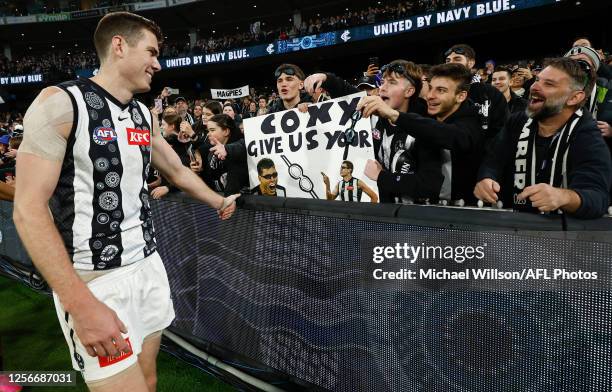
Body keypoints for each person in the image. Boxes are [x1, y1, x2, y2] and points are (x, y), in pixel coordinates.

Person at [13, 12, 238, 391]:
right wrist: (81, 306)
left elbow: (178, 172)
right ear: (120, 45)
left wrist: (219, 201)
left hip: (148, 265)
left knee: (148, 382)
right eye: (151, 52)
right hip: (95, 281)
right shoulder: (61, 104)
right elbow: (27, 211)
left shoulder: (140, 114)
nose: (157, 63)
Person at [475, 58, 611, 219]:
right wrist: (486, 178)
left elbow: (597, 198)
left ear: (574, 97)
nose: (534, 86)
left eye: (549, 84)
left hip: (564, 236)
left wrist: (564, 197)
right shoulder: (517, 121)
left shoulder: (588, 136)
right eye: (538, 80)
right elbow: (493, 160)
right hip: (513, 227)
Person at [358, 63, 482, 204]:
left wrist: (382, 177)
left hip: (462, 215)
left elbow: (447, 135)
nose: (430, 96)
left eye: (440, 90)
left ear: (460, 96)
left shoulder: (470, 124)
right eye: (430, 88)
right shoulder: (425, 118)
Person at [444, 44, 508, 146]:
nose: (451, 63)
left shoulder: (490, 93)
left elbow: (502, 131)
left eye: (457, 59)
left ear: (471, 63)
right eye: (448, 60)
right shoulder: (439, 92)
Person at [191, 114, 248, 195]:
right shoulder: (210, 151)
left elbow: (242, 146)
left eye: (212, 130)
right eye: (208, 130)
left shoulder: (240, 149)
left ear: (226, 131)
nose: (208, 134)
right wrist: (199, 172)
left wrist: (227, 149)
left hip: (237, 204)